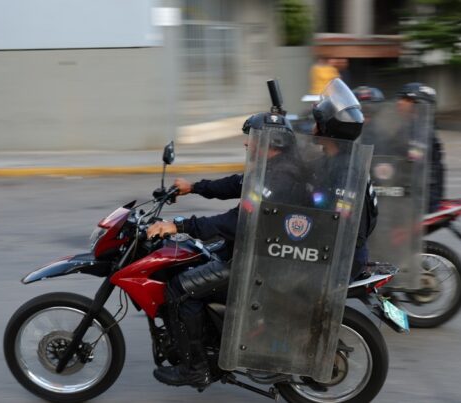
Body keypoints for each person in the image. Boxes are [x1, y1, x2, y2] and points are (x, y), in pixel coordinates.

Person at [145, 112, 305, 388]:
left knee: (180, 289)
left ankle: (195, 369)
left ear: (271, 141)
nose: (246, 143)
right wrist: (193, 188)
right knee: (196, 259)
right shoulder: (273, 168)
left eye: (252, 138)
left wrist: (180, 225)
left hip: (259, 262)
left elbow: (236, 222)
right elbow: (235, 184)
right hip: (255, 250)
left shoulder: (279, 178)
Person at [310, 79, 378, 279]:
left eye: (317, 123)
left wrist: (312, 195)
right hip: (334, 247)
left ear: (326, 129)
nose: (313, 128)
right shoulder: (334, 159)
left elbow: (334, 211)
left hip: (342, 256)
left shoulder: (345, 168)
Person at [396, 82, 445, 213]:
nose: (400, 102)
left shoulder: (423, 133)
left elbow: (413, 164)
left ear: (419, 106)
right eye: (401, 98)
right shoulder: (405, 128)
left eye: (407, 99)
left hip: (422, 199)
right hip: (404, 193)